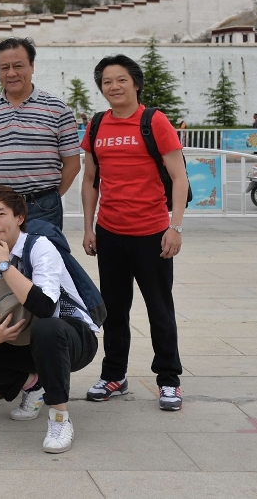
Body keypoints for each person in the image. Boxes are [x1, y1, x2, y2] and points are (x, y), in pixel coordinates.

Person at [0, 185, 100, 454]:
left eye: (0, 213)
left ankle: (59, 418)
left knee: (46, 328)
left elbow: (44, 307)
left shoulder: (40, 247)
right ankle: (33, 385)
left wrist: (5, 266)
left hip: (72, 339)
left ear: (19, 217)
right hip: (24, 342)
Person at [81, 54, 187, 412]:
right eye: (107, 81)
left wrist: (175, 227)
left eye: (121, 79)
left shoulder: (153, 121)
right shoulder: (96, 126)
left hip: (152, 234)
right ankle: (114, 375)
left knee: (160, 309)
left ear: (136, 83)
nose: (114, 86)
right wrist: (88, 227)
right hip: (110, 233)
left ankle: (169, 380)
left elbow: (178, 177)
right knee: (113, 310)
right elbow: (90, 180)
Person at [0, 38, 80, 232]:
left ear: (32, 66)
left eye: (18, 66)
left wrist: (50, 196)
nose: (11, 73)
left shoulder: (57, 109)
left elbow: (73, 164)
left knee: (43, 261)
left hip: (43, 208)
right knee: (0, 261)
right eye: (4, 67)